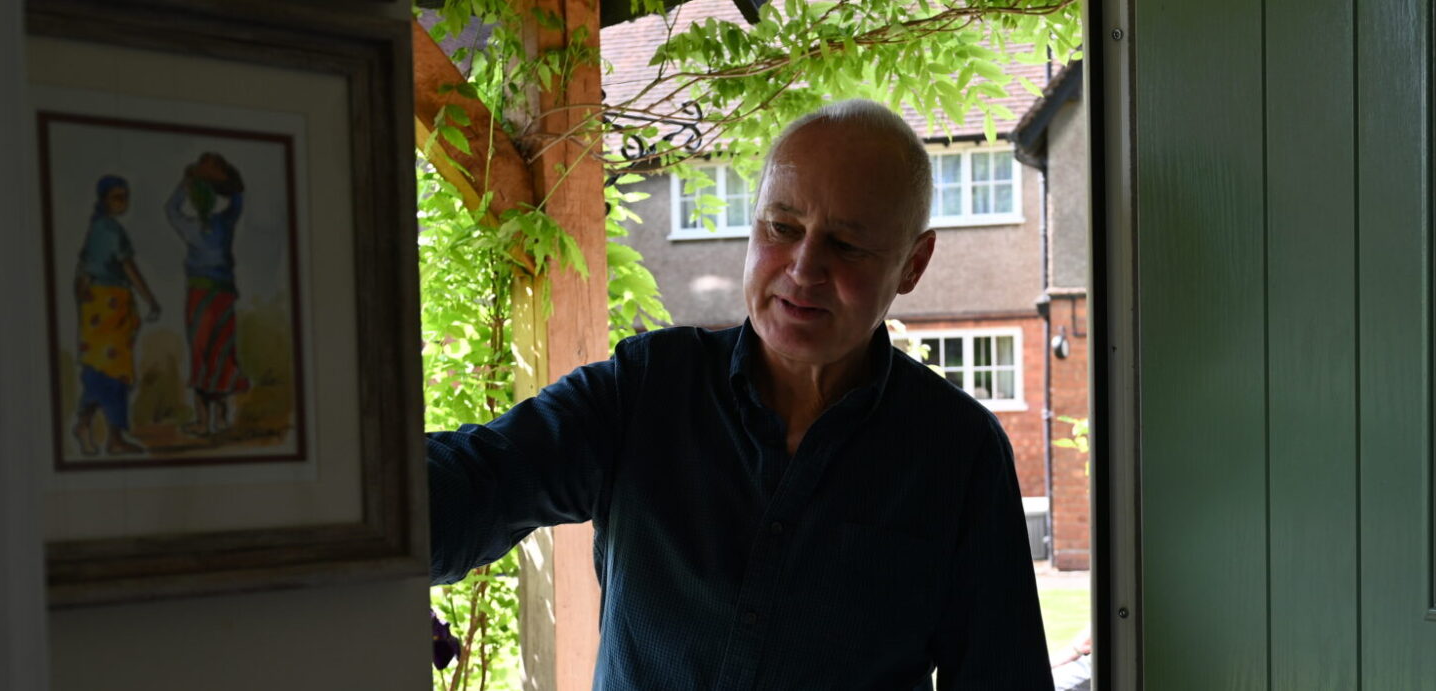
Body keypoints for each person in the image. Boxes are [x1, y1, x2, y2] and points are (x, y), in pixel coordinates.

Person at [427, 99, 1051, 689]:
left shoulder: (958, 452)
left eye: (846, 244)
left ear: (914, 264)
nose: (804, 268)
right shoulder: (644, 391)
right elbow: (469, 484)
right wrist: (358, 537)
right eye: (783, 226)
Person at [71, 174, 160, 455]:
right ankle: (113, 438)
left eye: (126, 196)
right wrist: (150, 299)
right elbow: (129, 269)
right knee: (113, 374)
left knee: (101, 372)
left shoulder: (96, 229)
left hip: (101, 309)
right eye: (117, 197)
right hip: (107, 308)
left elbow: (82, 273)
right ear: (104, 200)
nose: (123, 202)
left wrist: (82, 303)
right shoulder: (109, 231)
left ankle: (89, 426)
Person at [164, 152, 250, 437]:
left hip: (202, 296)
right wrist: (220, 179)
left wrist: (186, 182)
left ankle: (204, 421)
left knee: (203, 353)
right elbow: (238, 199)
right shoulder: (224, 224)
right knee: (220, 353)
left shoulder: (193, 227)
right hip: (222, 296)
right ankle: (221, 419)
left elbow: (172, 210)